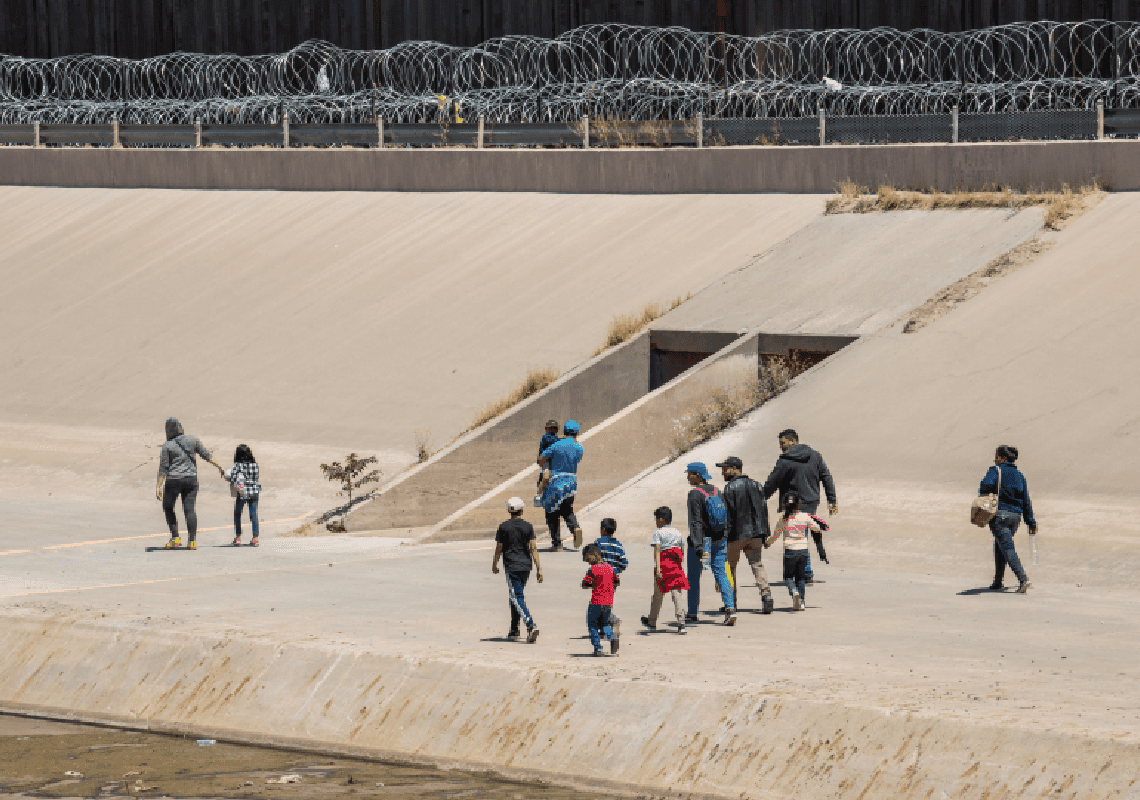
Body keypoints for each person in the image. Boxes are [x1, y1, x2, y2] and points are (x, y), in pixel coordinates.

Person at [762, 429, 837, 583]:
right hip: (811, 501)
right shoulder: (815, 455)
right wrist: (832, 499)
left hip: (793, 503)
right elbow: (826, 477)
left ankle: (803, 572)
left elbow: (772, 482)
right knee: (802, 533)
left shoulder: (785, 459)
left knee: (795, 535)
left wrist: (760, 498)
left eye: (782, 443)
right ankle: (804, 572)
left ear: (792, 441)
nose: (781, 447)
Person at [156, 417, 225, 550]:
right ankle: (192, 541)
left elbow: (163, 467)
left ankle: (175, 538)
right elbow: (206, 455)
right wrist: (220, 466)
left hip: (173, 480)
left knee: (168, 506)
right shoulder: (192, 440)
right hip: (191, 480)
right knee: (189, 509)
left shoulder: (167, 445)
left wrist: (158, 485)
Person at [717, 457, 774, 615]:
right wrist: (765, 534)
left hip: (736, 535)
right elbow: (764, 511)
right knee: (757, 564)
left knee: (729, 568)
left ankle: (731, 603)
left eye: (725, 469)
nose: (723, 472)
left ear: (736, 469)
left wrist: (724, 537)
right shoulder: (757, 485)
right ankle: (766, 594)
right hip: (756, 533)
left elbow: (727, 515)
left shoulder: (729, 488)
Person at [980, 445, 1036, 594]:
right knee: (1001, 545)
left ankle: (1023, 579)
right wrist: (1031, 522)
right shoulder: (1020, 476)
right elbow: (1026, 501)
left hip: (999, 516)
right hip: (1015, 518)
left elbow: (985, 485)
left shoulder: (996, 470)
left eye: (997, 456)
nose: (995, 459)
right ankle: (998, 581)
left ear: (1003, 458)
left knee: (1007, 548)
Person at [492, 496, 543, 642]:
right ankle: (514, 630)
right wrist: (539, 568)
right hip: (526, 566)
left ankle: (530, 624)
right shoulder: (528, 526)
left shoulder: (503, 527)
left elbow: (499, 548)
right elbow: (533, 547)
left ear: (509, 510)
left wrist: (494, 563)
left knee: (516, 596)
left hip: (511, 566)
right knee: (515, 596)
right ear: (522, 510)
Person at [765, 491, 821, 611]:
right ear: (798, 504)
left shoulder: (783, 520)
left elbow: (775, 535)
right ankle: (801, 602)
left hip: (790, 551)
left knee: (788, 577)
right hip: (803, 551)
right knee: (800, 577)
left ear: (784, 504)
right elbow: (816, 528)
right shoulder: (805, 516)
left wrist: (767, 543)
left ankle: (794, 591)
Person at [683, 462, 724, 624]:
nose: (687, 477)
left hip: (701, 543)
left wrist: (697, 545)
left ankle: (692, 612)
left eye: (689, 474)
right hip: (717, 539)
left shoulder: (694, 494)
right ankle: (730, 607)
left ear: (697, 475)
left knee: (694, 577)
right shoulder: (716, 491)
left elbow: (695, 523)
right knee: (720, 573)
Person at [641, 507, 689, 633]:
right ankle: (681, 623)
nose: (656, 522)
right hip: (676, 565)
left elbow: (657, 550)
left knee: (658, 595)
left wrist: (658, 568)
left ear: (661, 519)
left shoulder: (658, 532)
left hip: (664, 565)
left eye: (656, 519)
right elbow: (682, 548)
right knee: (677, 594)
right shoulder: (677, 532)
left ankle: (651, 622)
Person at [538, 419, 584, 551]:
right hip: (571, 483)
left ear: (563, 431)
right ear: (577, 432)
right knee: (567, 510)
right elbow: (577, 460)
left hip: (555, 482)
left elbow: (541, 459)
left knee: (551, 513)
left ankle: (557, 544)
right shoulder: (579, 447)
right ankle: (575, 527)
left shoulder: (556, 445)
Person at [582, 543, 619, 656]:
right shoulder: (610, 568)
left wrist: (593, 585)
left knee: (592, 625)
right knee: (604, 624)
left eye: (587, 557)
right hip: (608, 603)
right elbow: (617, 582)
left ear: (594, 555)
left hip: (596, 602)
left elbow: (584, 584)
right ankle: (612, 637)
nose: (586, 560)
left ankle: (598, 648)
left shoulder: (593, 569)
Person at [595, 518, 628, 638]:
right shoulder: (618, 545)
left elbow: (594, 557)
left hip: (601, 579)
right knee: (606, 603)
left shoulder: (598, 542)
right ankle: (605, 628)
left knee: (599, 604)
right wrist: (617, 571)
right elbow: (624, 562)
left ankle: (613, 621)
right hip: (613, 580)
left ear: (602, 530)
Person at [227, 444, 262, 547]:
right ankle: (255, 538)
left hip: (242, 491)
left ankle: (238, 538)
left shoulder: (237, 466)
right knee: (253, 514)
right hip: (254, 491)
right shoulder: (256, 465)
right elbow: (256, 478)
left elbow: (233, 479)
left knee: (238, 514)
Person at [533, 420, 561, 507]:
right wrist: (562, 438)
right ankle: (538, 495)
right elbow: (552, 440)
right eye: (551, 428)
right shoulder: (546, 437)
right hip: (546, 461)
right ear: (546, 429)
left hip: (555, 461)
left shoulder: (557, 438)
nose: (553, 430)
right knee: (546, 477)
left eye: (555, 428)